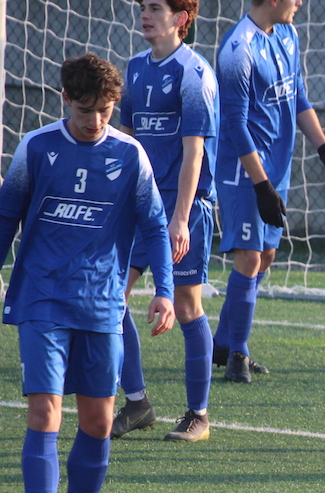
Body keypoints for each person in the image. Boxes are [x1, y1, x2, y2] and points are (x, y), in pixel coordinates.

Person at [0, 53, 175, 493]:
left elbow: (156, 228)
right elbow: (6, 216)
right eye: (84, 111)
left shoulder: (130, 154)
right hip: (43, 299)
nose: (94, 121)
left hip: (102, 304)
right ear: (65, 100)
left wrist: (163, 290)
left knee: (98, 422)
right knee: (45, 413)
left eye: (104, 111)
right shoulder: (37, 147)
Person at [212, 0, 325, 383]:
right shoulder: (238, 50)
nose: (300, 2)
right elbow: (234, 125)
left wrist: (323, 147)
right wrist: (261, 186)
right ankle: (237, 353)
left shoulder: (287, 32)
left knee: (267, 255)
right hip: (245, 172)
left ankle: (224, 339)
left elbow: (298, 95)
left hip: (276, 169)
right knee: (250, 257)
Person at [112, 0, 219, 442]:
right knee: (111, 299)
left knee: (188, 306)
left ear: (181, 19)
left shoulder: (195, 73)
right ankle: (137, 403)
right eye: (143, 7)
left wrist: (180, 219)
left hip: (184, 206)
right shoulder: (134, 69)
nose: (145, 14)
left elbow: (194, 153)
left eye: (155, 7)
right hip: (139, 204)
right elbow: (129, 143)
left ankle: (198, 414)